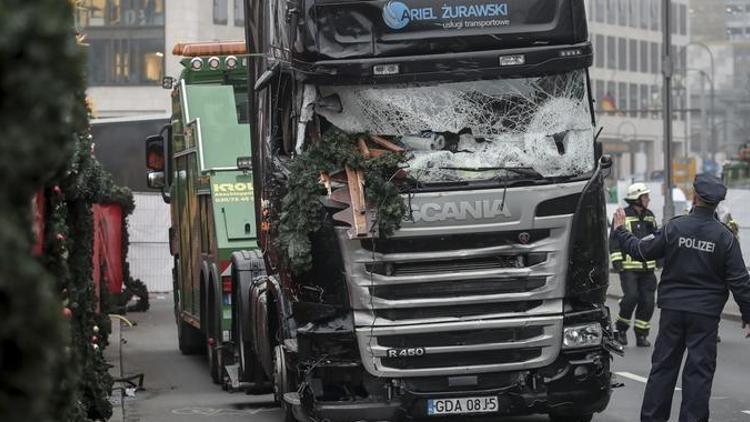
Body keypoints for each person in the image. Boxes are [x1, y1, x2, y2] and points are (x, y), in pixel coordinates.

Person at [611, 173, 750, 422]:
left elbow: (642, 250)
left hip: (673, 311)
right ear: (716, 203)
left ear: (694, 197)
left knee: (663, 369)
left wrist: (620, 231)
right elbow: (740, 282)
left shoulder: (675, 227)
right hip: (705, 316)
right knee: (698, 374)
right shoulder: (725, 237)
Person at [609, 182, 659, 347]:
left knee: (648, 302)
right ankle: (621, 330)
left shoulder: (650, 216)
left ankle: (641, 335)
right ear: (636, 199)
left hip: (647, 269)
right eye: (645, 196)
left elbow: (657, 240)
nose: (648, 199)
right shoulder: (622, 215)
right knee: (631, 298)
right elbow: (615, 240)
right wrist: (617, 261)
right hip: (629, 269)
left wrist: (660, 259)